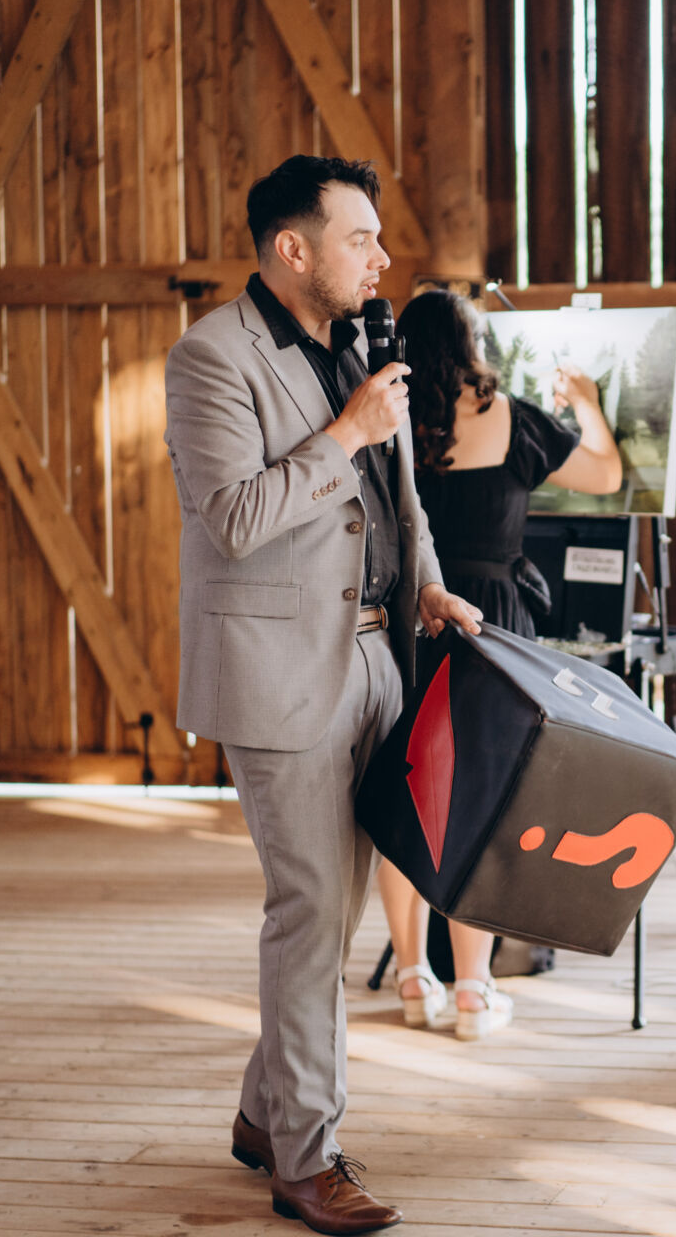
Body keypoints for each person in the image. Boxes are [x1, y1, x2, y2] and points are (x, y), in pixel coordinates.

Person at [164, 155, 482, 1235]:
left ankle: (264, 1112)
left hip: (380, 657)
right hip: (281, 672)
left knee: (334, 917)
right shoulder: (211, 357)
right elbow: (234, 518)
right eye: (361, 238)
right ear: (293, 249)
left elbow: (397, 495)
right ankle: (306, 1159)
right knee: (309, 916)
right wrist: (346, 430)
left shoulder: (359, 343)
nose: (382, 257)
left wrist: (426, 581)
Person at [372, 289, 622, 1040]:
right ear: (473, 345)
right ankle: (474, 994)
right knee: (481, 805)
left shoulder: (388, 421)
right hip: (493, 627)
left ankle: (413, 978)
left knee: (404, 798)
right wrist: (588, 404)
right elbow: (606, 475)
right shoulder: (513, 418)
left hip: (411, 620)